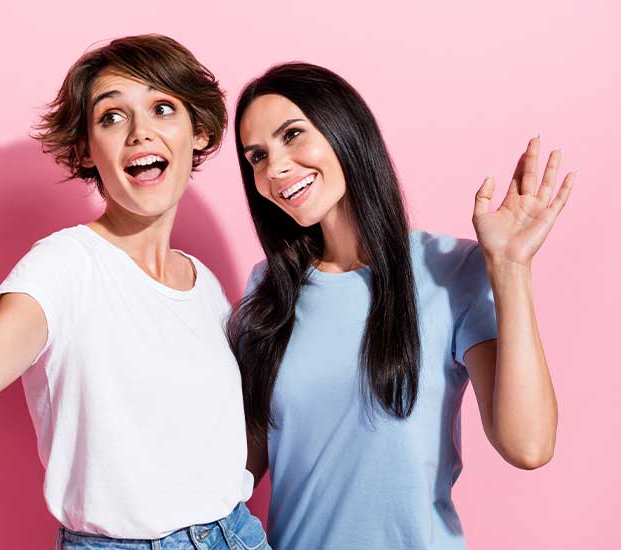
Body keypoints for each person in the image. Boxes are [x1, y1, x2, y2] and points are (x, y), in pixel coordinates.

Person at [0, 35, 269, 550]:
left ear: (198, 132)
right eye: (112, 117)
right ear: (86, 148)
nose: (140, 132)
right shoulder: (65, 265)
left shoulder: (205, 284)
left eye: (162, 108)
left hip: (236, 534)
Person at [228, 62, 571, 550]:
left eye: (292, 135)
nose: (274, 169)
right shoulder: (269, 290)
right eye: (257, 156)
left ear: (345, 129)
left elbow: (529, 445)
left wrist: (510, 267)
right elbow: (238, 470)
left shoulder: (450, 269)